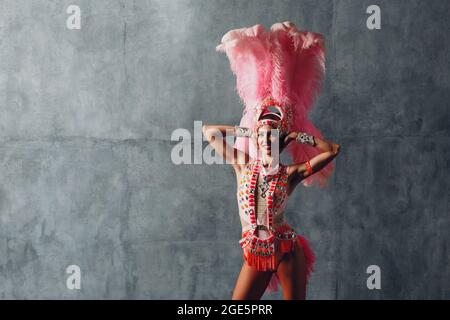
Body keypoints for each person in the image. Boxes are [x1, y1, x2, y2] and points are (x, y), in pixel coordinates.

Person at [203, 22, 341, 300]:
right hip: (256, 251)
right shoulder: (242, 165)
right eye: (262, 136)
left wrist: (298, 136)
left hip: (287, 249)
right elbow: (209, 132)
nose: (266, 140)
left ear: (279, 141)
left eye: (273, 137)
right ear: (256, 140)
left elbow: (332, 150)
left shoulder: (290, 173)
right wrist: (249, 130)